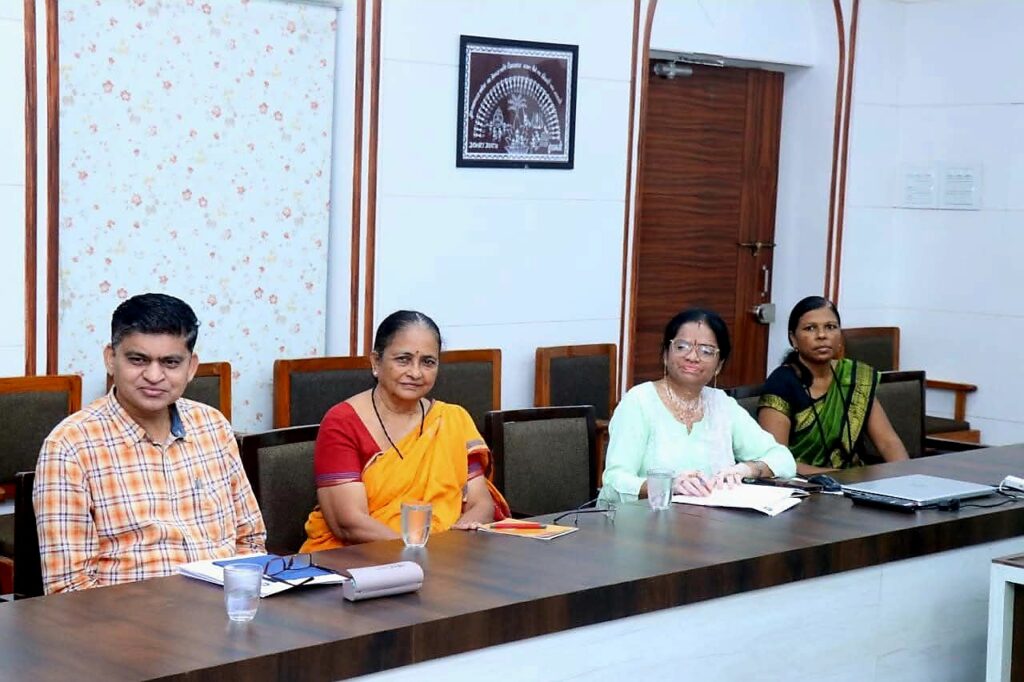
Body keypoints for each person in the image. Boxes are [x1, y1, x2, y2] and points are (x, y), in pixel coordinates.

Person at [34, 293, 266, 594]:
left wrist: (239, 603)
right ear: (110, 359)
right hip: (126, 618)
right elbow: (69, 586)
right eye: (138, 360)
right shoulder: (70, 446)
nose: (154, 376)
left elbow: (250, 540)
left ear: (191, 367)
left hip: (222, 609)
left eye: (170, 362)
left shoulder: (213, 426)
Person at [300, 310, 509, 551]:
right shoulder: (343, 422)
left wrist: (451, 546)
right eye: (403, 359)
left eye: (428, 362)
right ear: (376, 362)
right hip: (358, 558)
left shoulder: (452, 419)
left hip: (446, 555)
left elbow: (481, 503)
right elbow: (348, 523)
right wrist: (416, 552)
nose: (416, 373)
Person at [601, 309, 796, 502]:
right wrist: (666, 486)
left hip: (710, 518)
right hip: (645, 517)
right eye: (682, 347)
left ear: (719, 365)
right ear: (666, 354)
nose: (692, 357)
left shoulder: (722, 404)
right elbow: (614, 482)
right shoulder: (639, 401)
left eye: (706, 351)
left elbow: (783, 459)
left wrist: (747, 469)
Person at [757, 296, 909, 474]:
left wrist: (907, 478)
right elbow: (776, 461)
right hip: (804, 484)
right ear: (793, 339)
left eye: (830, 327)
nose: (822, 335)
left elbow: (888, 442)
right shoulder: (781, 383)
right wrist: (839, 479)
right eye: (810, 328)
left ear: (840, 335)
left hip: (856, 481)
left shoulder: (853, 377)